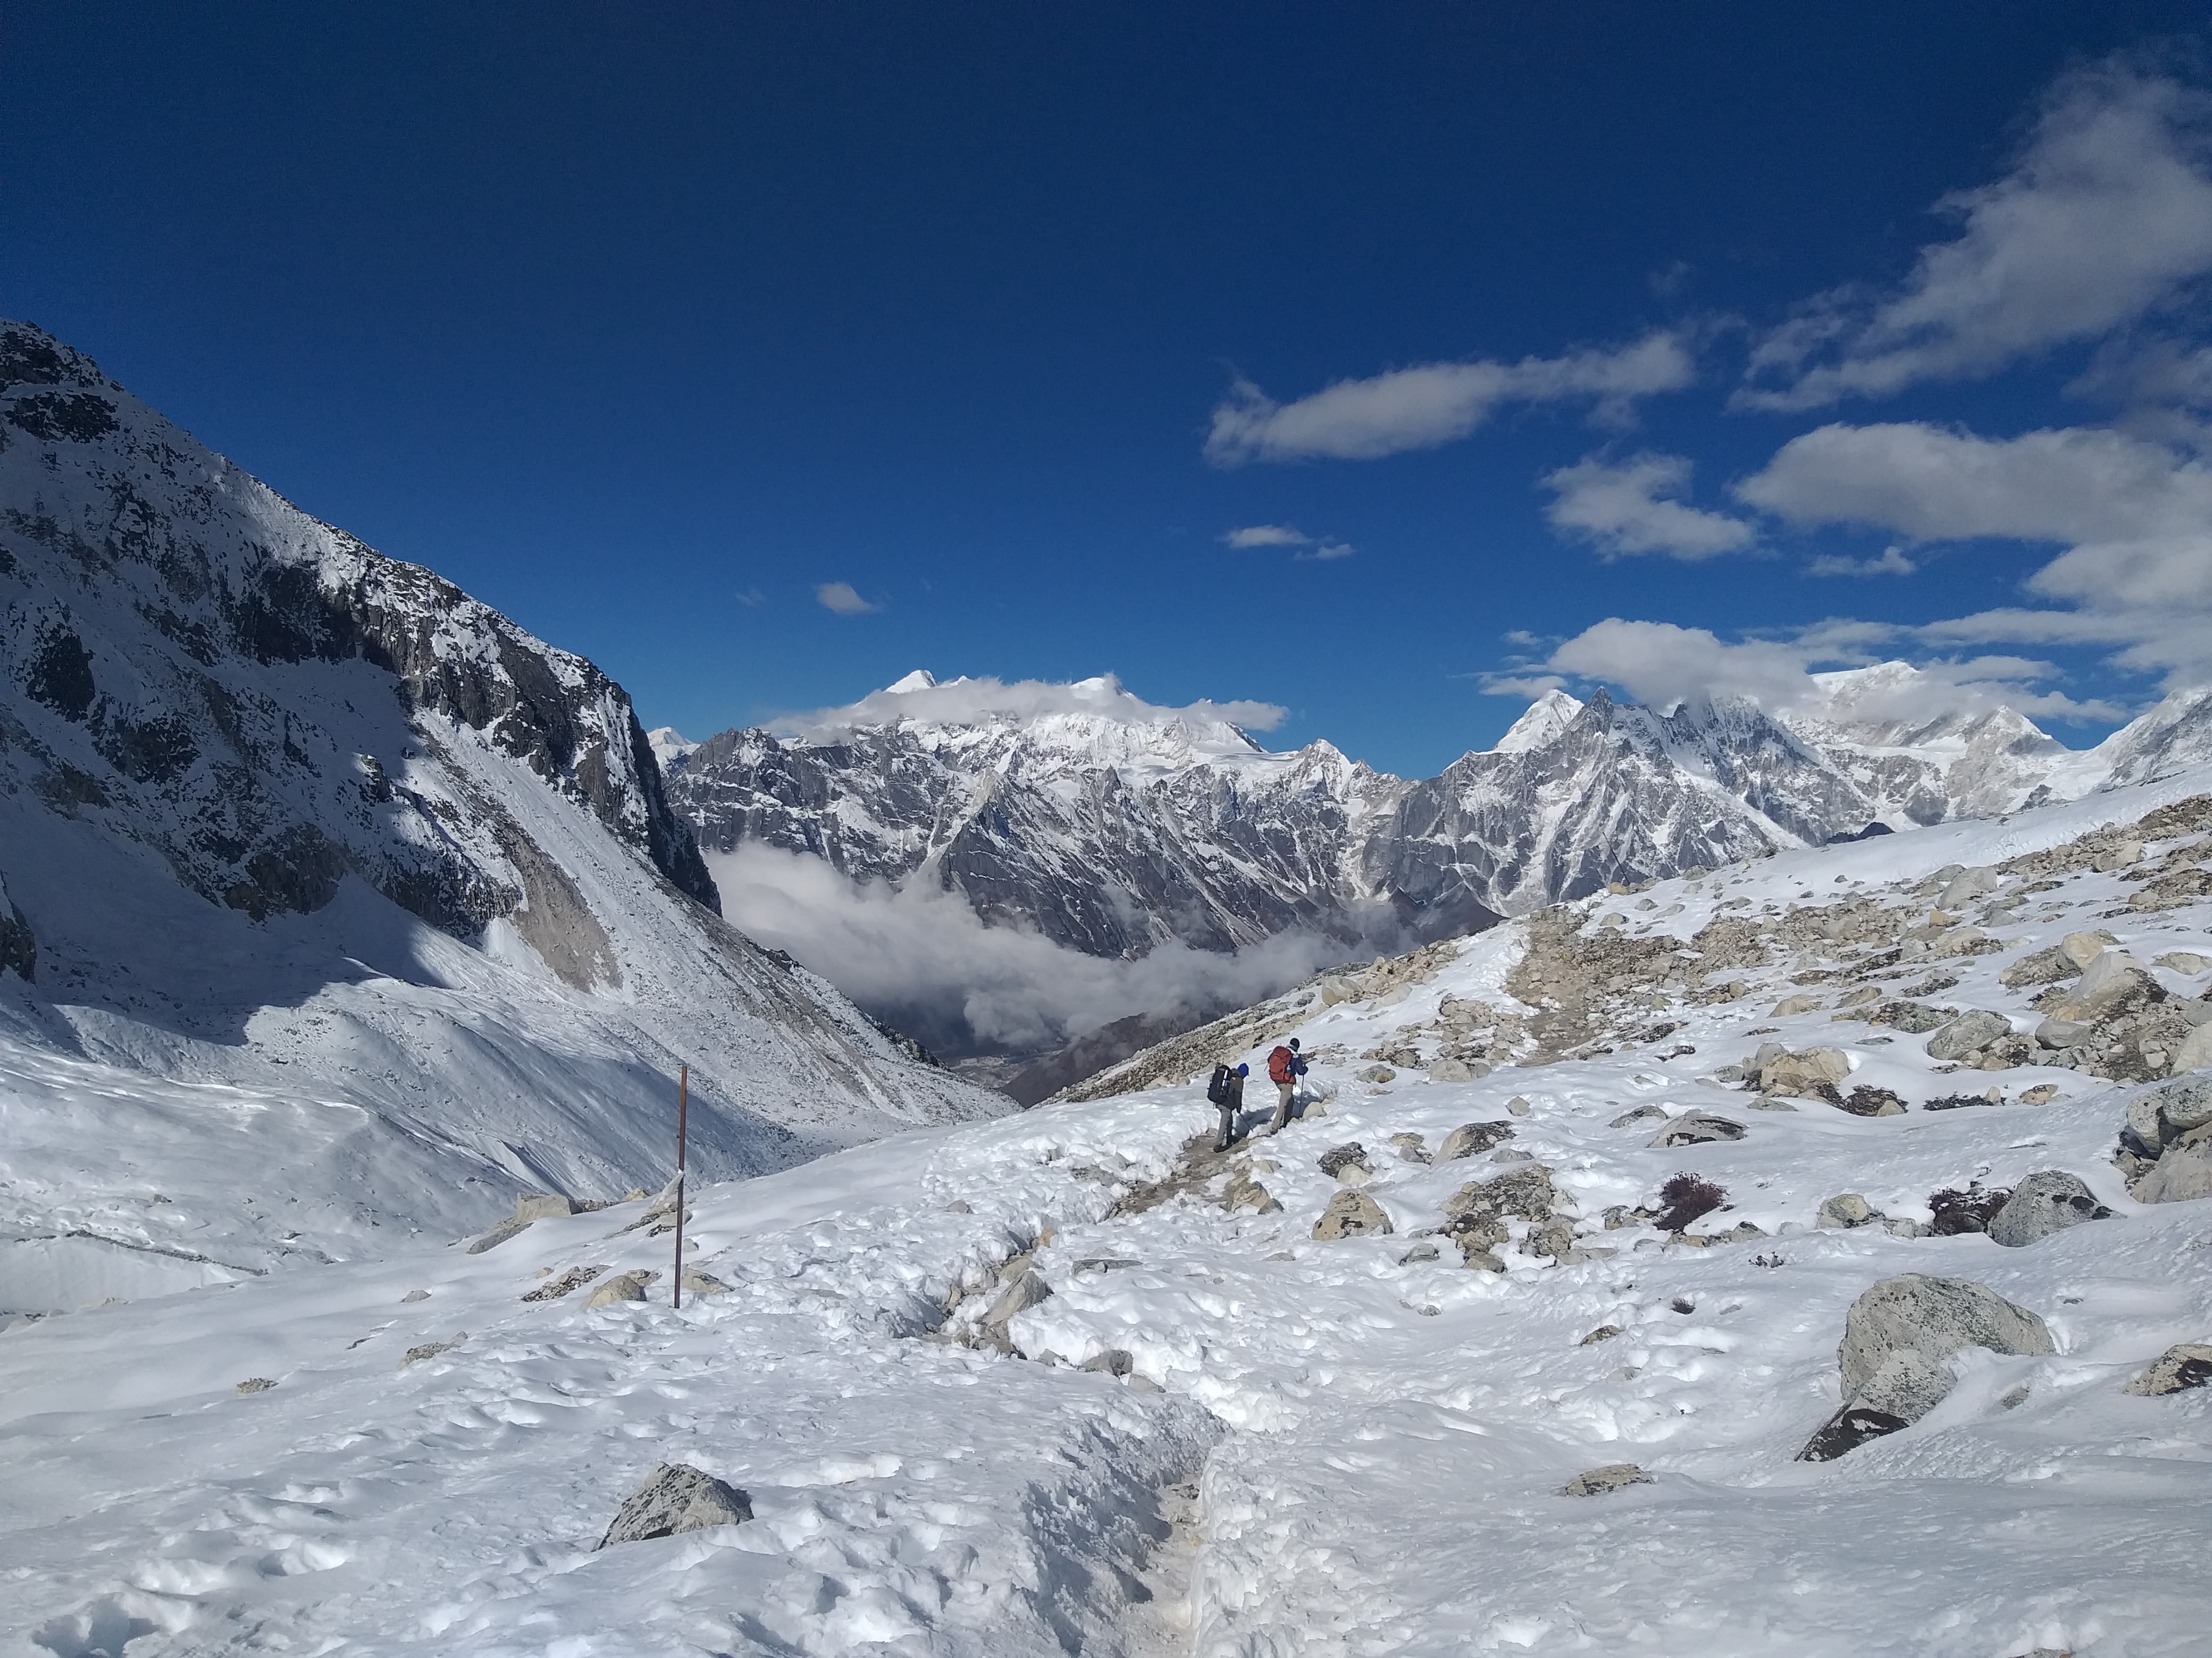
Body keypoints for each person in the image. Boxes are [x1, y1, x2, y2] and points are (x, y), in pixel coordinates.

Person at [1265, 1038, 1307, 1134]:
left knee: (1290, 1099)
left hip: (1277, 1080)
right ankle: (1274, 1128)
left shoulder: (1281, 1052)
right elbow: (1301, 1072)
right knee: (1283, 1105)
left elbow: (1269, 1060)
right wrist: (1306, 1068)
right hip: (1287, 1083)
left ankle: (1286, 1121)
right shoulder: (1295, 1056)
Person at [1207, 1061, 1248, 1152]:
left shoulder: (1230, 1074)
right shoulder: (1239, 1080)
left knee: (1229, 1118)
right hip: (1225, 1104)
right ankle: (1218, 1144)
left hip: (1218, 1100)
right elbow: (1238, 1096)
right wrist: (1238, 1108)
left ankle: (1229, 1137)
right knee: (1224, 1122)